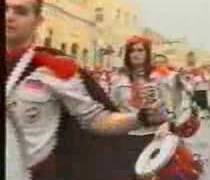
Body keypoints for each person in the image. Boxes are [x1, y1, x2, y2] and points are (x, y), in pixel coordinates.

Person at [5, 0, 157, 179]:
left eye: (21, 12)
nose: (9, 16)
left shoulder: (56, 67)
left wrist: (142, 117)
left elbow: (95, 119)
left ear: (38, 21)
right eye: (5, 9)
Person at [109, 36, 171, 179]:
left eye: (140, 50)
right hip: (127, 138)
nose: (135, 54)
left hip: (154, 138)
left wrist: (166, 124)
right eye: (131, 51)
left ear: (147, 53)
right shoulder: (118, 79)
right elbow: (110, 109)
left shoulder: (158, 78)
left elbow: (170, 108)